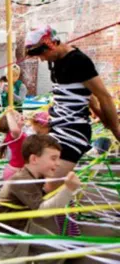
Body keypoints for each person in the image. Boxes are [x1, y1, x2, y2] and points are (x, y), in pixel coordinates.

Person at [25, 25, 120, 235]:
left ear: (52, 44)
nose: (41, 60)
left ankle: (69, 234)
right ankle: (69, 232)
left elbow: (102, 96)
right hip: (58, 128)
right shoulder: (56, 61)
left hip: (72, 133)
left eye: (42, 54)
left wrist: (115, 130)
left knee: (50, 188)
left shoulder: (79, 61)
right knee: (44, 177)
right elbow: (90, 98)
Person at [0, 134, 82, 263]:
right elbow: (43, 212)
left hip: (25, 226)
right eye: (53, 158)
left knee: (57, 249)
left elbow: (42, 199)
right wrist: (68, 190)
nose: (58, 163)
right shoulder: (22, 180)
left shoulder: (38, 177)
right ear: (34, 159)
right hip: (7, 236)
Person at [0, 110, 26, 180]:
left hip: (17, 171)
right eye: (17, 116)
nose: (21, 116)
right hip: (15, 172)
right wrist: (8, 113)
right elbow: (14, 129)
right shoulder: (15, 135)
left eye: (20, 114)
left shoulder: (19, 134)